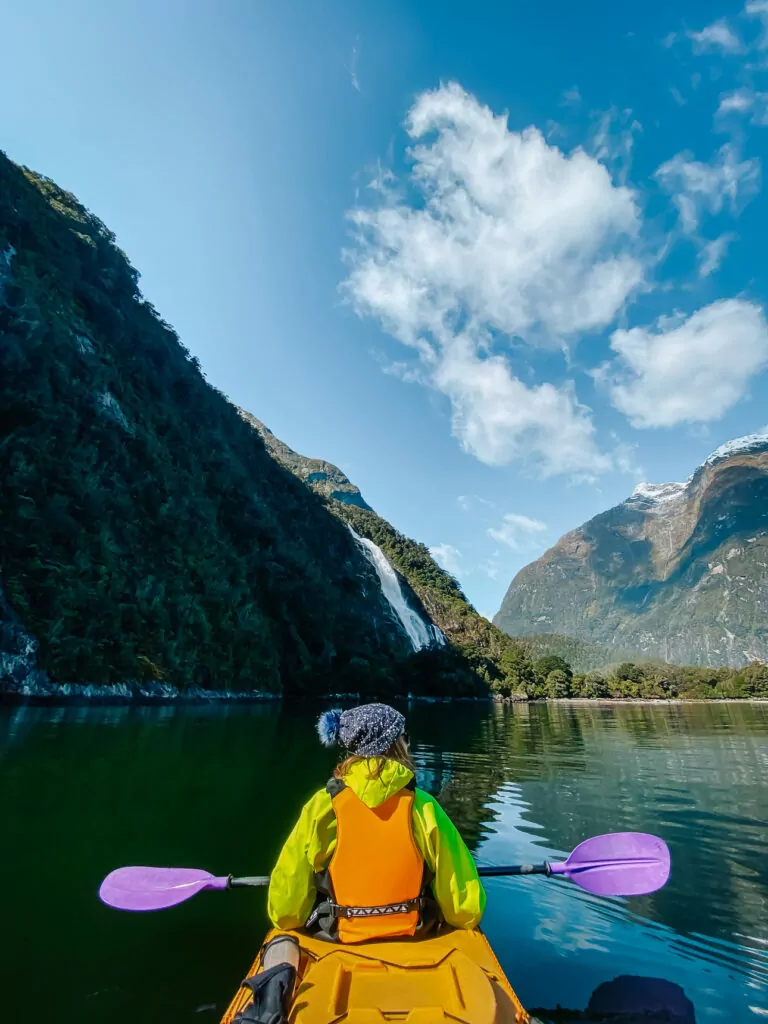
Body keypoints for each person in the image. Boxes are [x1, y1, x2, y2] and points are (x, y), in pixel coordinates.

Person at [267, 703, 486, 943]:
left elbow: (286, 911)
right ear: (393, 744)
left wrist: (290, 916)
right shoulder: (424, 806)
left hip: (339, 935)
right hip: (415, 934)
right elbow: (465, 911)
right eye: (404, 737)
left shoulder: (322, 806)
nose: (408, 744)